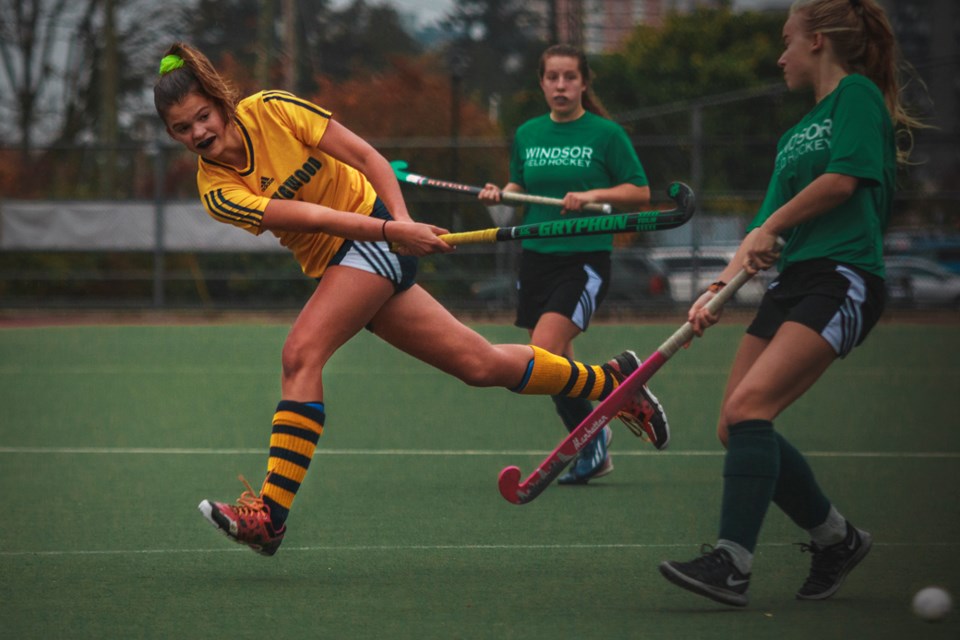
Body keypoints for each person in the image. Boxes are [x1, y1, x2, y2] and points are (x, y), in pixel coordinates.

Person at [153, 42, 662, 557]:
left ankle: (271, 516)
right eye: (182, 129)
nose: (198, 133)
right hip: (350, 254)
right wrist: (391, 229)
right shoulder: (216, 188)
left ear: (220, 103)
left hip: (372, 240)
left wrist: (399, 221)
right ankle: (615, 381)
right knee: (480, 364)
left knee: (300, 354)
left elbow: (367, 157)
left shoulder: (271, 110)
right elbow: (310, 218)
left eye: (202, 116)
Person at [658, 0, 922, 607]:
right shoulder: (794, 134)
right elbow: (760, 234)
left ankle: (732, 562)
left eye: (786, 42)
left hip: (843, 276)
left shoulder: (856, 97)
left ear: (819, 42)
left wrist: (769, 228)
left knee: (752, 406)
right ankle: (837, 538)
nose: (779, 56)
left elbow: (841, 182)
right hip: (793, 282)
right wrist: (715, 290)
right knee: (735, 423)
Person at [478, 44, 669, 485]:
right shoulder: (527, 133)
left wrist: (590, 196)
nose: (560, 86)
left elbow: (638, 191)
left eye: (569, 77)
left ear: (584, 83)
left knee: (541, 355)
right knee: (555, 365)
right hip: (536, 258)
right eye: (552, 78)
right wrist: (500, 193)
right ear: (542, 83)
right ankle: (594, 446)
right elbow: (518, 184)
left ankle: (615, 384)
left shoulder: (605, 134)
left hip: (583, 260)